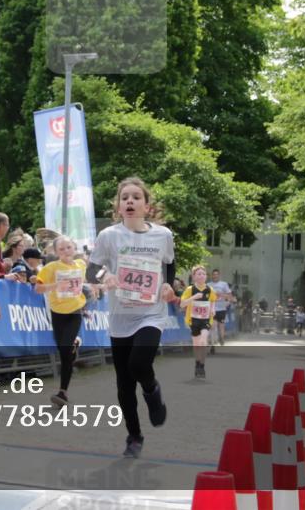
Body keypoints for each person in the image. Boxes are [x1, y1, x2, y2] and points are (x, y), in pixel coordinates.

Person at [86, 177, 175, 458]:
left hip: (151, 314)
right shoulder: (109, 236)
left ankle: (152, 391)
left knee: (140, 363)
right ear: (118, 205)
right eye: (125, 197)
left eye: (136, 197)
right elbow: (92, 270)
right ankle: (134, 436)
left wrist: (167, 284)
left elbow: (169, 265)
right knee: (124, 385)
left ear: (147, 206)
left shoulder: (162, 235)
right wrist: (106, 277)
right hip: (121, 317)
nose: (130, 201)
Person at [35, 235, 95, 408]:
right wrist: (55, 286)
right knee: (63, 350)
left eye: (68, 247)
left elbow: (86, 282)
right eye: (61, 249)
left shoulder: (81, 265)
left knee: (65, 349)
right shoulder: (51, 268)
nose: (66, 251)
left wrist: (92, 290)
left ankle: (63, 392)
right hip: (57, 312)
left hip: (75, 311)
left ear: (74, 248)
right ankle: (75, 342)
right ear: (56, 252)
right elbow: (38, 288)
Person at [179, 266, 217, 379]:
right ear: (194, 277)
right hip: (193, 320)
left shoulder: (210, 290)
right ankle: (197, 363)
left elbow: (213, 301)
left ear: (206, 276)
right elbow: (182, 304)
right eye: (199, 274)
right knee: (196, 345)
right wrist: (194, 297)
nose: (201, 276)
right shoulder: (190, 290)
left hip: (206, 320)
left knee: (203, 341)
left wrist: (213, 309)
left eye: (203, 274)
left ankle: (202, 365)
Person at [208, 269, 234, 350]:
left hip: (222, 308)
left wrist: (222, 296)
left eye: (216, 274)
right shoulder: (208, 285)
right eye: (213, 274)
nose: (215, 276)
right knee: (213, 326)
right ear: (211, 275)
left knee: (221, 326)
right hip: (212, 309)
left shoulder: (224, 284)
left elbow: (230, 296)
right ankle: (212, 344)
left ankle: (222, 338)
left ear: (219, 275)